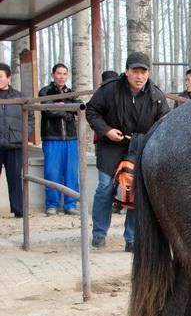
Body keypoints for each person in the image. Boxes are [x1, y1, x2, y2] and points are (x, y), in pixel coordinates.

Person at [86, 51, 170, 251]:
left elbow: (166, 121)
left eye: (144, 71)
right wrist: (106, 131)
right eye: (135, 71)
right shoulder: (109, 89)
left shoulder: (156, 95)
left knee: (136, 191)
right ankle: (99, 233)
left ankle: (131, 237)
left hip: (140, 147)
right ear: (126, 72)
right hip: (110, 145)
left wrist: (150, 141)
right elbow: (92, 111)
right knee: (105, 187)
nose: (139, 76)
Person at [39, 63, 82, 216]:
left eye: (64, 74)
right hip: (52, 137)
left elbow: (80, 108)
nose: (62, 76)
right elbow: (50, 111)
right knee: (52, 172)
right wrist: (67, 110)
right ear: (53, 75)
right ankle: (51, 204)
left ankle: (70, 204)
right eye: (59, 73)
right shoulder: (45, 92)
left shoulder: (71, 93)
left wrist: (63, 107)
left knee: (71, 172)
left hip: (70, 138)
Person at [0, 62, 33, 218]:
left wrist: (24, 135)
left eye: (0, 76)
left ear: (8, 78)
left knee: (15, 178)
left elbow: (31, 118)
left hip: (15, 144)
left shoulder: (20, 97)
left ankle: (19, 210)